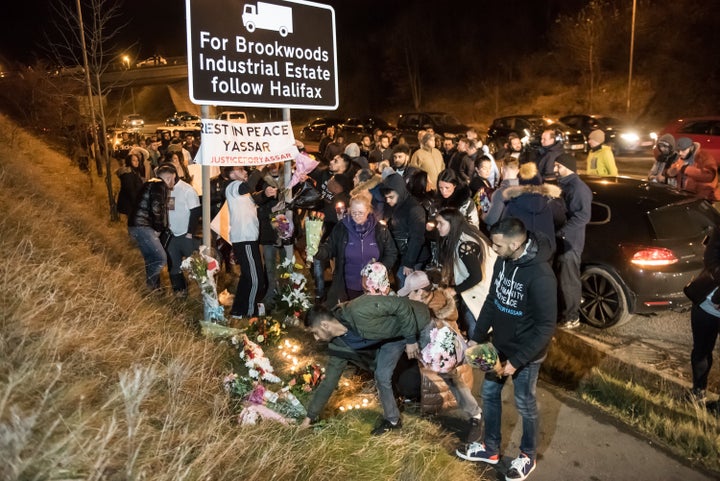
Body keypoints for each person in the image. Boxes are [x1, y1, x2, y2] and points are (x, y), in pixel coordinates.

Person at [456, 217, 557, 481]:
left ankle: (527, 456)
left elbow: (546, 327)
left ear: (515, 243)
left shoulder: (541, 275)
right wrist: (477, 337)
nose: (493, 248)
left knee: (525, 404)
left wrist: (518, 360)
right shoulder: (503, 260)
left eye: (498, 244)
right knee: (489, 394)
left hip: (527, 354)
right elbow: (492, 300)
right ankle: (491, 449)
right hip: (498, 347)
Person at [300, 267, 430, 435]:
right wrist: (308, 418)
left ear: (324, 325)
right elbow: (328, 383)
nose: (316, 339)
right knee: (382, 375)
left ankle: (472, 413)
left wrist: (411, 339)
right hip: (392, 337)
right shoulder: (338, 345)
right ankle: (392, 420)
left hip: (419, 321)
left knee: (443, 369)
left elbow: (401, 305)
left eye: (315, 333)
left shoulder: (358, 309)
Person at [398, 270, 483, 441]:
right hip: (430, 360)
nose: (406, 297)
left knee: (450, 378)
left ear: (421, 292)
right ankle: (474, 413)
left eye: (409, 293)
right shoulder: (425, 304)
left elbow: (440, 351)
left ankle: (475, 415)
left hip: (439, 361)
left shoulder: (432, 313)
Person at [314, 193, 398, 306]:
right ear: (349, 210)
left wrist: (381, 268)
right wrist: (316, 251)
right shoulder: (341, 228)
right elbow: (330, 248)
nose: (357, 216)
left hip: (373, 288)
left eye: (361, 213)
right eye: (354, 213)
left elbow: (391, 252)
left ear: (368, 211)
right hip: (348, 286)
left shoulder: (380, 231)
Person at [435, 208, 495, 338]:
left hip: (478, 293)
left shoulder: (465, 245)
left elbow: (476, 276)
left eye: (441, 223)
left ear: (452, 223)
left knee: (476, 330)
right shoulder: (466, 234)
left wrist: (455, 290)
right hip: (482, 290)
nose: (437, 226)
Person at [226, 166, 275, 318]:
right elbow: (247, 186)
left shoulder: (243, 191)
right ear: (231, 174)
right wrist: (259, 169)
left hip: (248, 239)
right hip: (244, 239)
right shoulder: (233, 186)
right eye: (241, 170)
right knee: (256, 281)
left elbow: (255, 198)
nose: (245, 172)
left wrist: (265, 194)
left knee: (247, 278)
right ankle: (250, 313)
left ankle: (237, 312)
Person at [554, 154, 592, 329]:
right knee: (563, 279)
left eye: (558, 166)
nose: (555, 169)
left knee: (569, 281)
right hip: (563, 240)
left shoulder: (578, 188)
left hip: (570, 243)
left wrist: (561, 232)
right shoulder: (566, 185)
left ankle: (572, 316)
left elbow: (582, 216)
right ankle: (566, 311)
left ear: (567, 167)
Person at [490, 162, 565, 253]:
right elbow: (561, 220)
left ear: (520, 183)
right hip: (546, 249)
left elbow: (504, 226)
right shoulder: (550, 202)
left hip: (522, 251)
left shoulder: (513, 204)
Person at [380, 172, 430, 288]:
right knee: (400, 282)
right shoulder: (391, 205)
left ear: (400, 191)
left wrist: (409, 263)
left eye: (391, 197)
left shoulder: (414, 208)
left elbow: (417, 238)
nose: (388, 201)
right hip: (398, 254)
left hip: (412, 257)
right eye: (386, 198)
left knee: (405, 285)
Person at [127, 165, 172, 291]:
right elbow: (157, 207)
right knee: (161, 258)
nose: (173, 182)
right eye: (173, 179)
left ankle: (154, 288)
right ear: (168, 178)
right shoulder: (160, 185)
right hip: (143, 226)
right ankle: (150, 286)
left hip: (137, 225)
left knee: (151, 258)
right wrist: (158, 228)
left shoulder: (151, 183)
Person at [689, 225, 720, 402]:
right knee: (700, 351)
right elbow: (710, 259)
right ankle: (698, 392)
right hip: (706, 304)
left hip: (713, 300)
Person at [164, 162, 201, 297]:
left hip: (186, 235)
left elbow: (196, 212)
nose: (164, 181)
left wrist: (190, 233)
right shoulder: (164, 189)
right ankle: (180, 293)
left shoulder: (187, 190)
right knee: (174, 266)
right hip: (171, 236)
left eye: (166, 178)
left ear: (174, 175)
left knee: (196, 266)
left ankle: (204, 293)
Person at [666, 137, 720, 202]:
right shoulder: (681, 158)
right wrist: (669, 173)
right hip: (686, 195)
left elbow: (709, 176)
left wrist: (686, 169)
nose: (680, 153)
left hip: (705, 197)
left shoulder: (704, 157)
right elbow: (673, 170)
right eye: (678, 150)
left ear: (691, 148)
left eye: (683, 150)